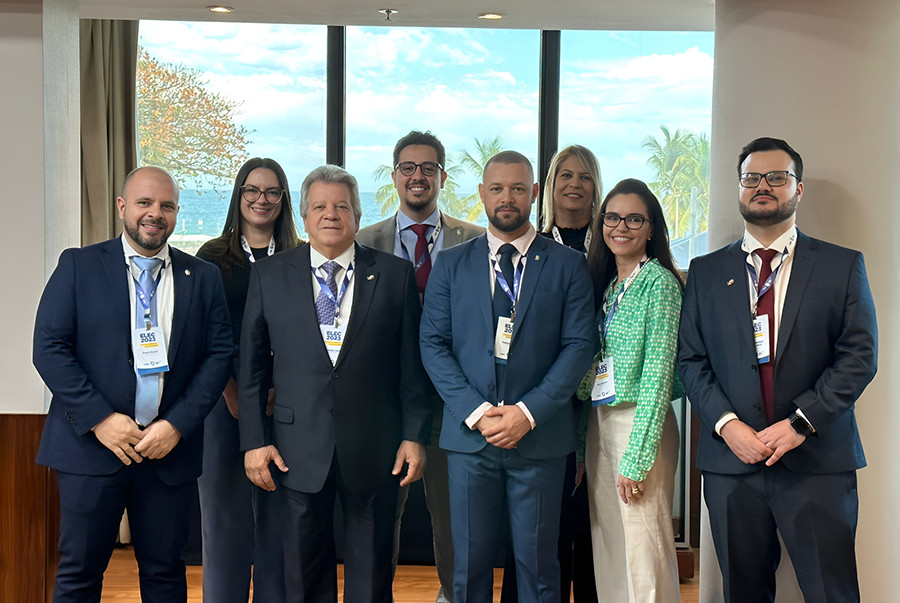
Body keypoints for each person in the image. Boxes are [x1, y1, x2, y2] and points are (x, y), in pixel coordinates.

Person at [678, 137, 878, 602]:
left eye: (776, 177)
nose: (762, 186)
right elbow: (691, 360)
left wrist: (800, 424)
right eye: (751, 177)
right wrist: (728, 427)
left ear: (798, 188)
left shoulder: (842, 265)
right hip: (732, 464)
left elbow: (859, 356)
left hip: (817, 461)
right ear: (739, 187)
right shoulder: (706, 272)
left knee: (832, 593)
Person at [32, 166, 232, 602]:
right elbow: (49, 348)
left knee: (165, 573)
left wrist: (176, 425)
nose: (155, 213)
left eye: (166, 205)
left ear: (176, 213)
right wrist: (101, 420)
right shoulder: (79, 265)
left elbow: (219, 355)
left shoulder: (202, 277)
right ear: (122, 207)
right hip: (91, 448)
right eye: (144, 202)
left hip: (167, 452)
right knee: (79, 572)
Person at [239, 164, 432, 603]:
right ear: (304, 217)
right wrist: (254, 441)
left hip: (375, 448)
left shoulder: (395, 275)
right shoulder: (269, 275)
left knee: (372, 577)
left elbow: (411, 367)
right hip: (295, 449)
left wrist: (414, 436)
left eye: (342, 207)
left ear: (358, 217)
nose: (331, 214)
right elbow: (251, 367)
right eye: (320, 207)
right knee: (302, 577)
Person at [420, 150, 595, 602]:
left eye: (518, 188)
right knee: (469, 569)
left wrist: (527, 413)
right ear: (482, 193)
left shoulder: (567, 265)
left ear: (534, 193)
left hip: (539, 439)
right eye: (497, 188)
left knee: (539, 570)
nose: (507, 198)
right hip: (469, 439)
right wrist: (478, 413)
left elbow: (579, 346)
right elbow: (433, 345)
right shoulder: (451, 264)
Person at [357, 130, 483, 603]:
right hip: (385, 405)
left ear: (442, 177)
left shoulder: (475, 241)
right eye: (408, 168)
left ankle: (453, 597)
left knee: (455, 522)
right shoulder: (363, 241)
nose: (418, 176)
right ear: (394, 176)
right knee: (377, 520)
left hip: (454, 404)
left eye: (428, 168)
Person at [196, 158, 302, 602]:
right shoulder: (212, 258)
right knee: (225, 522)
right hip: (224, 403)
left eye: (272, 191)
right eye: (252, 190)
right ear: (239, 195)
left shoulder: (300, 257)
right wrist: (232, 391)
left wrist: (280, 391)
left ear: (283, 200)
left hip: (285, 404)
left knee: (280, 526)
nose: (262, 199)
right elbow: (203, 334)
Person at [501, 144, 601, 603]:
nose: (574, 184)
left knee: (593, 530)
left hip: (598, 400)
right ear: (548, 187)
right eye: (566, 175)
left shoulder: (611, 245)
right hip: (539, 407)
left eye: (585, 176)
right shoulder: (529, 246)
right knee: (542, 533)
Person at [578, 178, 683, 602]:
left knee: (644, 551)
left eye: (634, 219)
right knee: (609, 544)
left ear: (652, 227)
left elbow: (658, 376)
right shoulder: (610, 286)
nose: (621, 227)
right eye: (613, 217)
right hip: (601, 420)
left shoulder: (660, 284)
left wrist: (637, 458)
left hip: (640, 424)